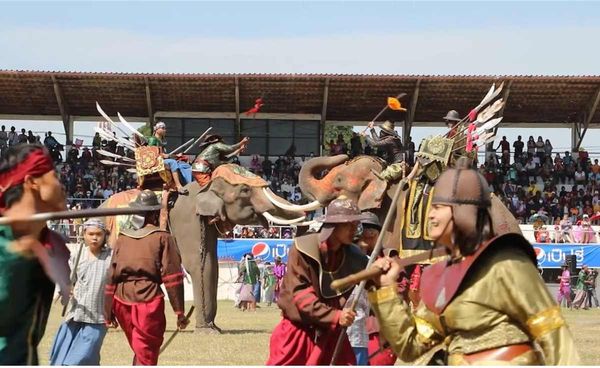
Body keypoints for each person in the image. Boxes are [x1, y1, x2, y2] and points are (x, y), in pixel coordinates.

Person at [368, 158, 579, 365]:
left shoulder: (506, 264)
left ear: (463, 212)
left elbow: (554, 334)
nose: (430, 216)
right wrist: (386, 290)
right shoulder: (438, 275)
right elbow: (411, 347)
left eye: (438, 207)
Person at [266, 197, 369, 365]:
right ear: (333, 226)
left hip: (331, 334)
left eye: (356, 224)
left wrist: (385, 267)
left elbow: (376, 280)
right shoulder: (303, 249)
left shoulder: (353, 256)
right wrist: (336, 316)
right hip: (297, 333)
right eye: (348, 224)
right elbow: (301, 296)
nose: (354, 229)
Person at [0, 144, 71, 365]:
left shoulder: (45, 243)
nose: (62, 186)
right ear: (32, 182)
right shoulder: (6, 245)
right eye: (55, 176)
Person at [103, 190, 188, 365]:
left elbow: (111, 276)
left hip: (121, 300)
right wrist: (179, 312)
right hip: (147, 302)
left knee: (141, 350)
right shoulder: (162, 237)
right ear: (154, 213)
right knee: (146, 352)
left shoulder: (123, 238)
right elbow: (173, 277)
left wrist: (108, 310)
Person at [50, 218, 112, 365]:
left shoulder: (111, 257)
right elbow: (67, 277)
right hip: (75, 314)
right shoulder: (77, 254)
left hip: (98, 317)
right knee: (62, 358)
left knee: (80, 358)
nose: (95, 238)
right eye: (91, 234)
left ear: (105, 235)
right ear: (84, 234)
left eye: (98, 234)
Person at [146, 121, 191, 194]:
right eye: (163, 128)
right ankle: (178, 186)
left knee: (183, 164)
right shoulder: (153, 139)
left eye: (165, 128)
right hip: (157, 162)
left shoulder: (161, 140)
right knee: (172, 162)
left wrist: (175, 156)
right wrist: (165, 155)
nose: (165, 130)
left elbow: (165, 154)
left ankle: (189, 184)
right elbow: (151, 154)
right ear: (156, 129)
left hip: (164, 159)